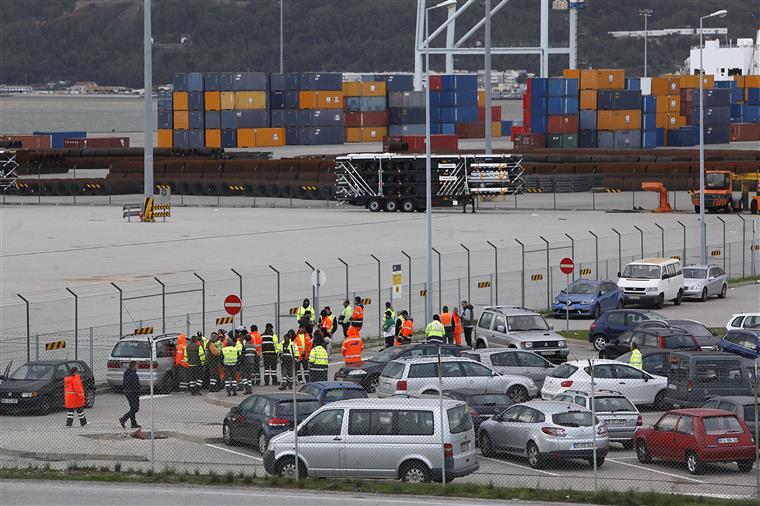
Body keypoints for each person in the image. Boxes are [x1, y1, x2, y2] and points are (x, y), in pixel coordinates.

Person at [119, 361, 140, 429]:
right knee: (135, 408)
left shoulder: (127, 372)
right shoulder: (133, 374)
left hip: (128, 392)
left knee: (132, 408)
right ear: (134, 366)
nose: (138, 367)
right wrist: (139, 390)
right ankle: (123, 419)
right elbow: (135, 385)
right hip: (133, 393)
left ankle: (133, 423)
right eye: (137, 366)